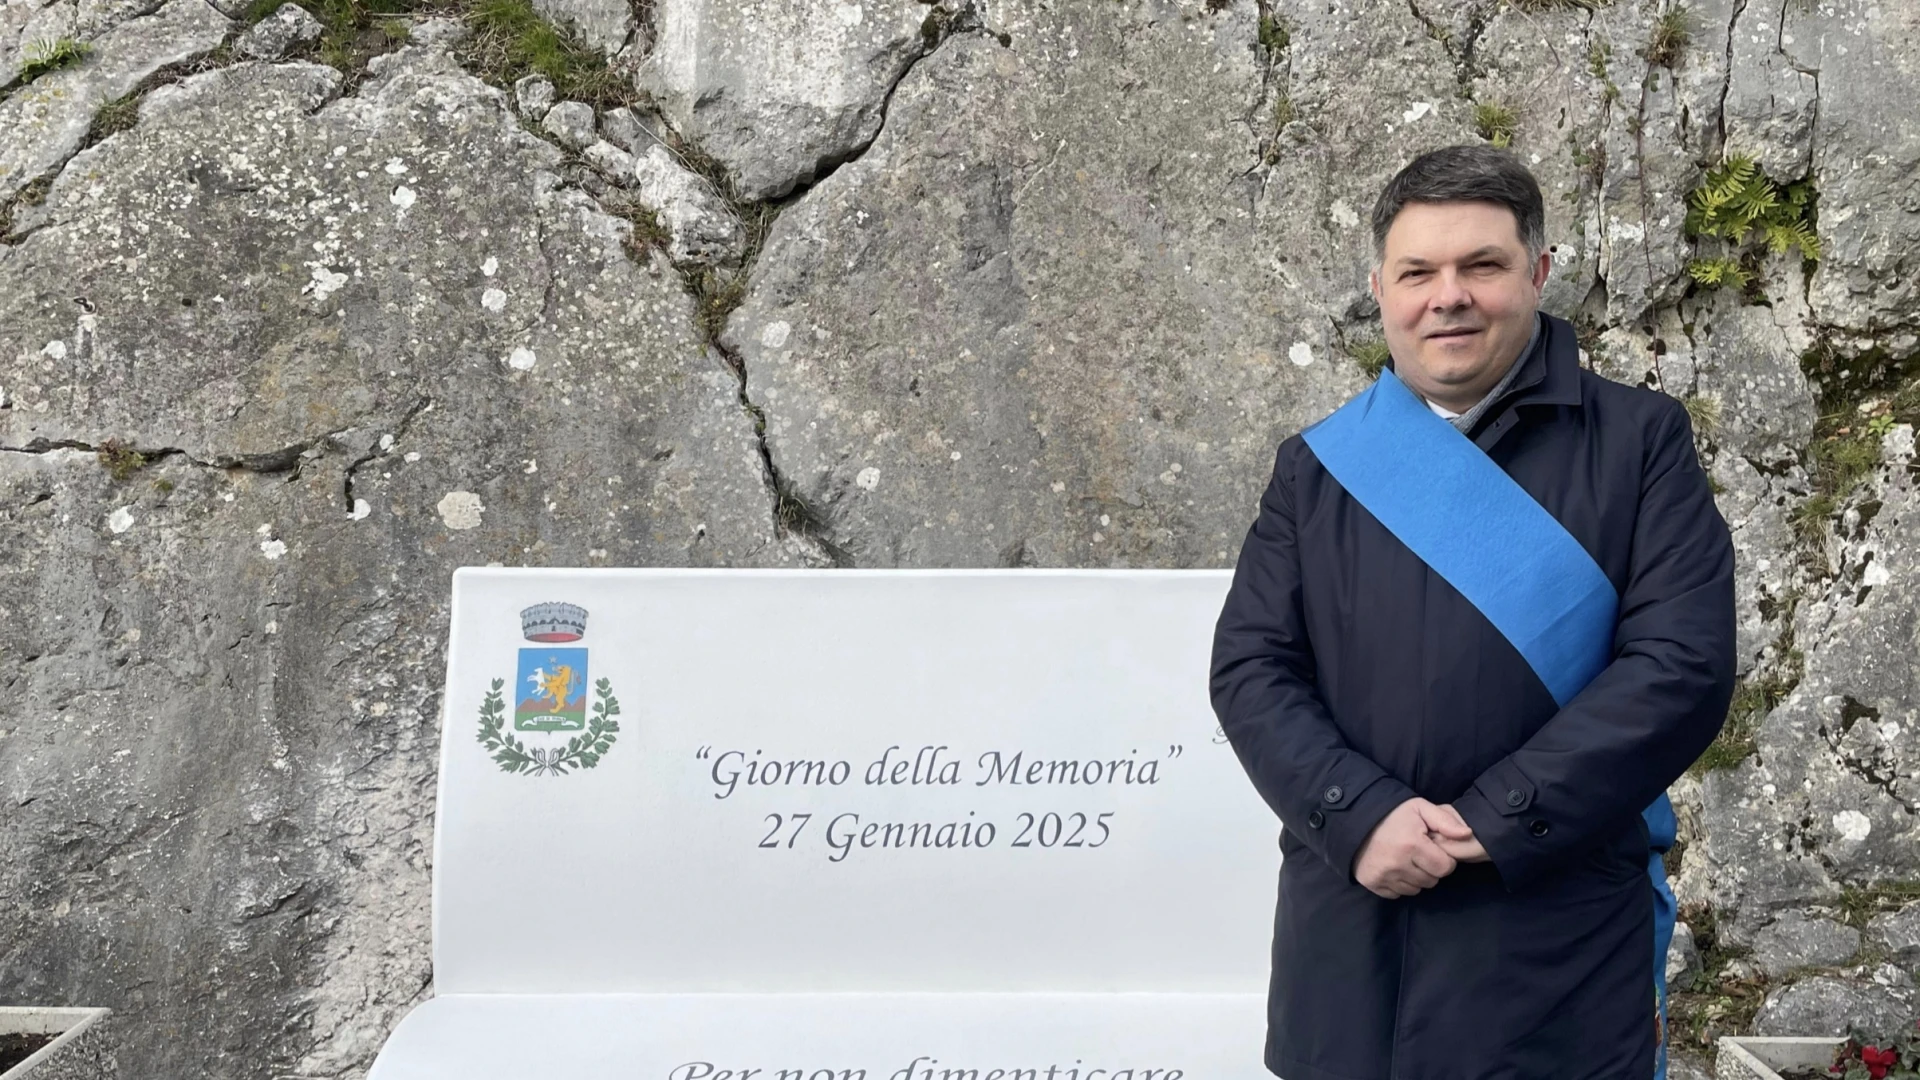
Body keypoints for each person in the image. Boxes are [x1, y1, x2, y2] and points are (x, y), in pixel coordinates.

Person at [1209, 145, 1736, 1080]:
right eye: (1418, 272)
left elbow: (1679, 668)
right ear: (1381, 288)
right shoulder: (1316, 467)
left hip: (1556, 945)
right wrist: (1359, 817)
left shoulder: (1641, 444)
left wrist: (1494, 820)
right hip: (1353, 934)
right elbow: (1252, 668)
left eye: (1481, 266)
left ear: (1536, 272)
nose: (1446, 296)